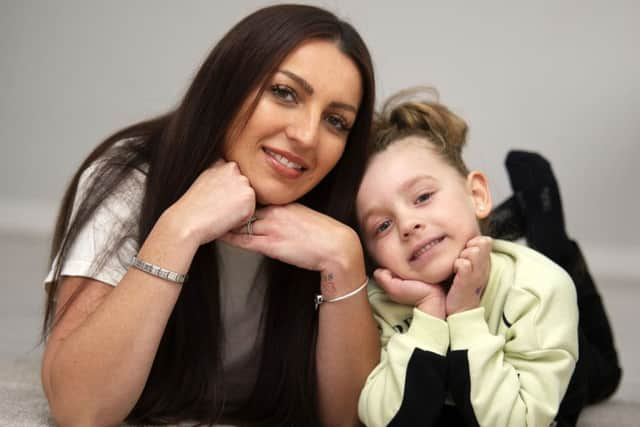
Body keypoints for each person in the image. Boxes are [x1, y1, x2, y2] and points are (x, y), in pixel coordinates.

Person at [41, 5, 380, 426]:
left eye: (335, 120)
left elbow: (350, 419)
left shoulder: (346, 209)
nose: (307, 136)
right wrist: (180, 229)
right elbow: (79, 409)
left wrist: (344, 261)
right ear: (229, 85)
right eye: (285, 93)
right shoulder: (130, 177)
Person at [354, 89, 621, 426]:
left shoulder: (536, 289)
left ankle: (548, 232)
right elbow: (386, 421)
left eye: (422, 196)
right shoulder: (378, 304)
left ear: (477, 194)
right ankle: (517, 215)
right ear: (370, 254)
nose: (407, 225)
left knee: (605, 374)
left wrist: (466, 314)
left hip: (557, 380)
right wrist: (429, 313)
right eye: (383, 225)